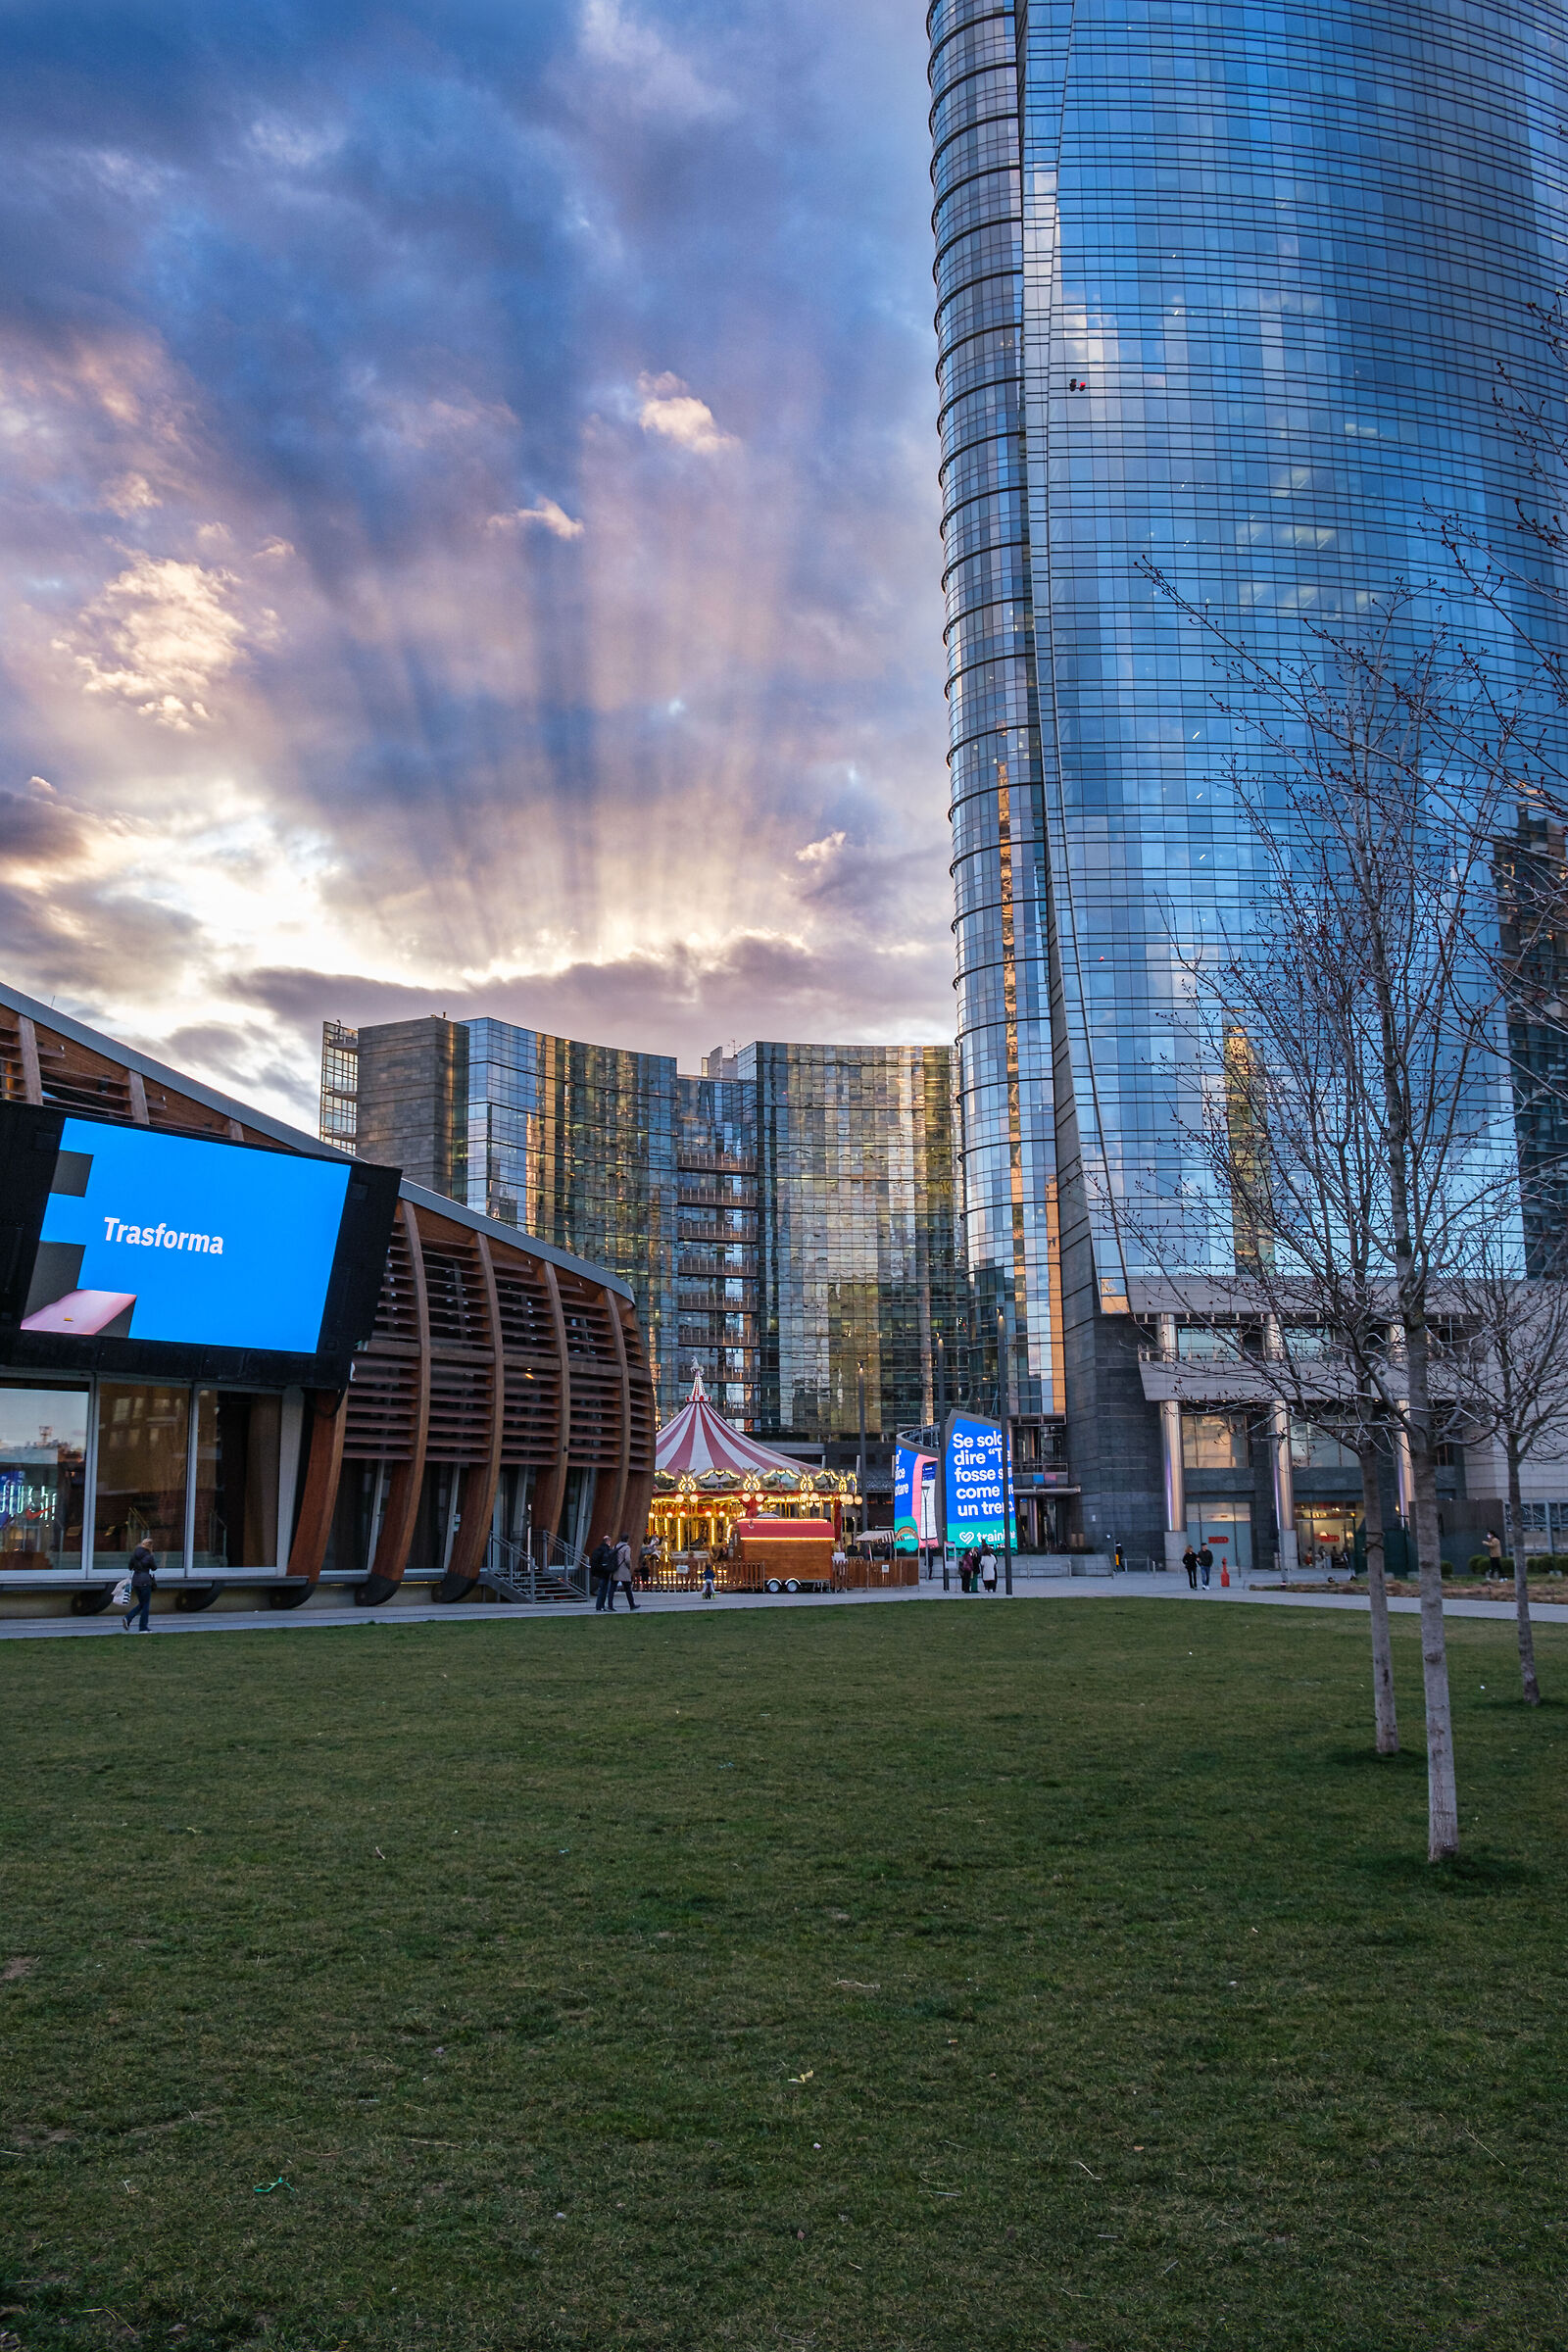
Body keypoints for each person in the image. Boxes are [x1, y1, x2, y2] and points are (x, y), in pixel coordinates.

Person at [122, 1543, 157, 1633]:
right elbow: (154, 1568)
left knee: (142, 1603)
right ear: (150, 1547)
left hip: (136, 1581)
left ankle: (128, 1618)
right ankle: (142, 1627)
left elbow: (130, 1567)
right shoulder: (149, 1556)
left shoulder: (134, 1555)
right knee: (145, 1605)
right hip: (145, 1581)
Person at [591, 1536, 616, 1611]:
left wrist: (594, 1573)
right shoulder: (607, 1550)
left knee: (601, 1589)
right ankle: (601, 1606)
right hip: (605, 1572)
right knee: (604, 1590)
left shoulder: (597, 1550)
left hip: (599, 1572)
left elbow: (594, 1562)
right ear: (608, 1541)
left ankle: (599, 1606)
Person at [615, 1535, 637, 1611]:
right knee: (628, 1588)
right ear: (627, 1539)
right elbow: (627, 1559)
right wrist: (629, 1566)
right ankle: (632, 1604)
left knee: (612, 1588)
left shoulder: (616, 1546)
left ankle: (610, 1605)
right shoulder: (627, 1547)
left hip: (615, 1569)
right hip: (623, 1569)